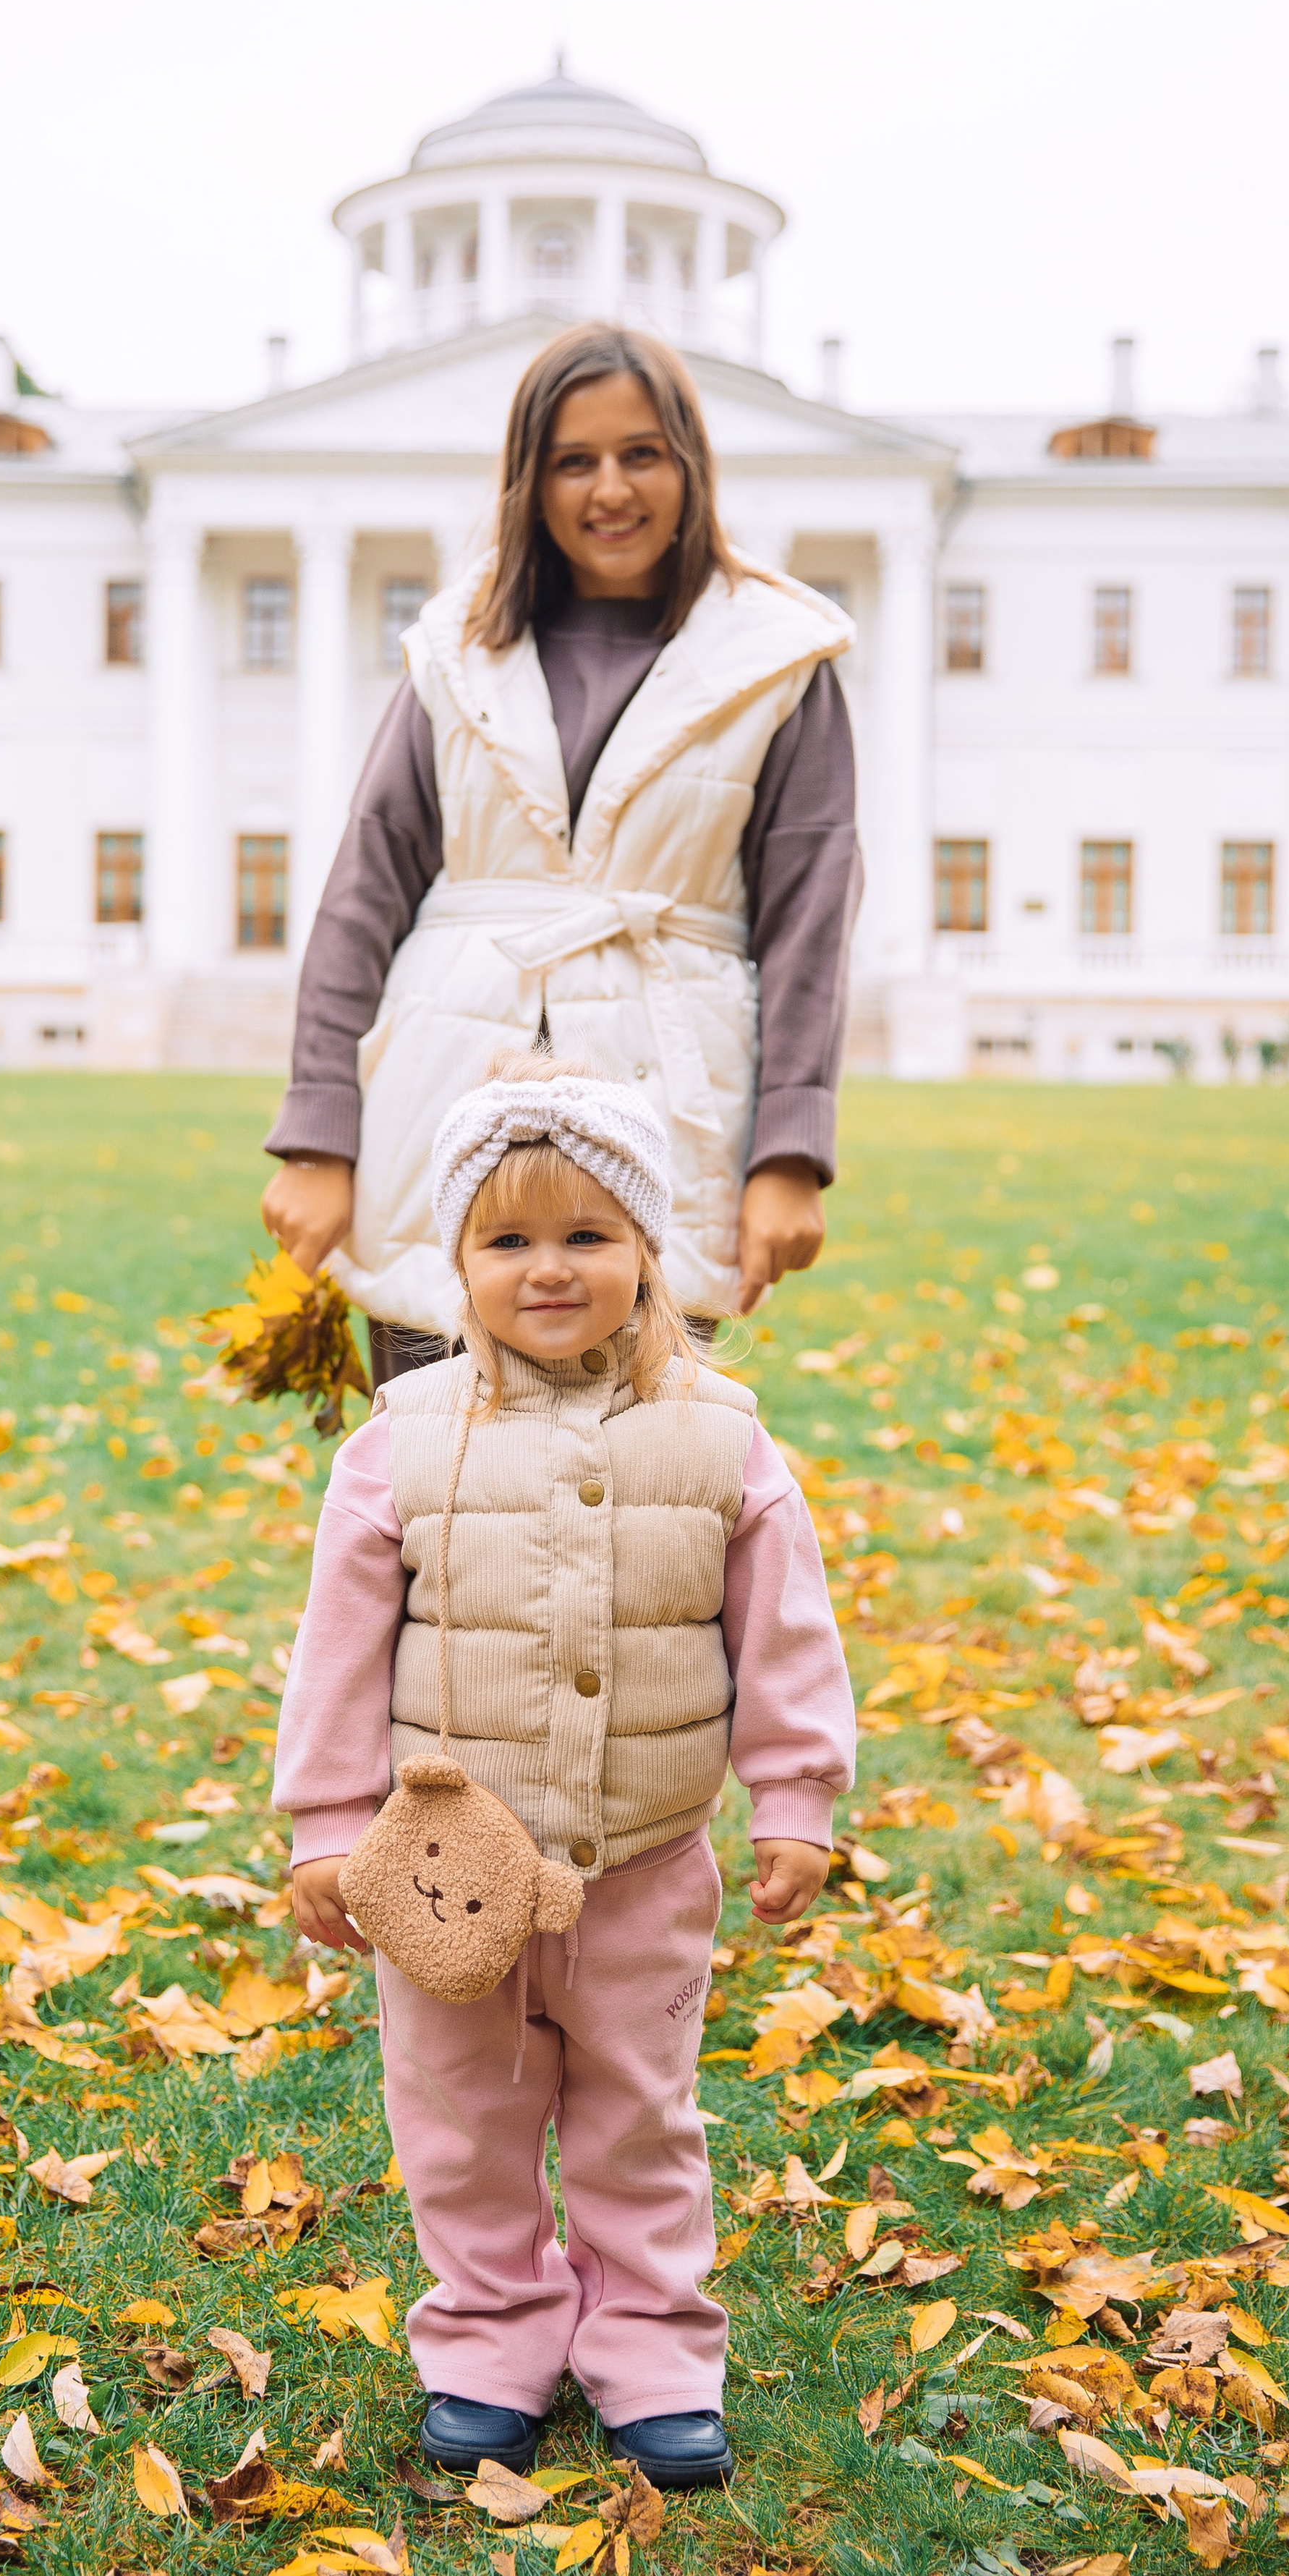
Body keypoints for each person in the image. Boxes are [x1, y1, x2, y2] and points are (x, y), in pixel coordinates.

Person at [271, 1058, 856, 2486]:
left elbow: (781, 1634)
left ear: (648, 1250)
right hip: (440, 1876)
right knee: (463, 2119)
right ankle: (488, 2334)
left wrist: (794, 1798)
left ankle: (652, 2347)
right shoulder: (399, 1442)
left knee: (638, 2114)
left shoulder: (720, 1434)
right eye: (507, 1240)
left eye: (588, 1236)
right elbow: (338, 1652)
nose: (548, 1270)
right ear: (454, 1261)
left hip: (643, 1860)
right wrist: (324, 1828)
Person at [260, 322, 861, 1387]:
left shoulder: (781, 660)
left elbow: (809, 922)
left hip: (662, 1102)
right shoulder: (454, 654)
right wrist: (318, 1130)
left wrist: (789, 1155)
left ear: (690, 464)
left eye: (641, 454)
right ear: (528, 482)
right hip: (441, 1101)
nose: (610, 489)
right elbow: (367, 886)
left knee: (649, 1503)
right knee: (433, 1498)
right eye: (572, 461)